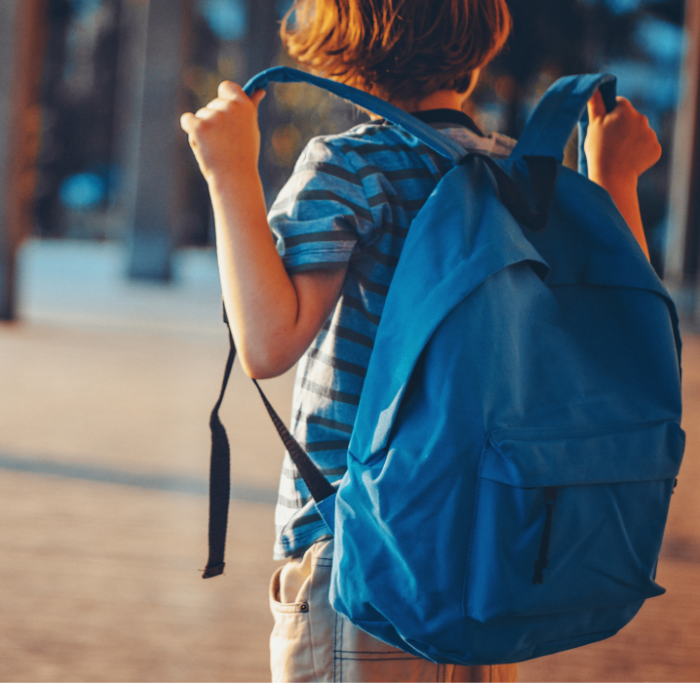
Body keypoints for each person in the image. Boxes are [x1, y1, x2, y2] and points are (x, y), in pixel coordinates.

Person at [180, 0, 663, 681]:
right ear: (478, 51)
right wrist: (614, 179)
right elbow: (615, 336)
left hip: (362, 558)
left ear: (341, 48)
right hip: (489, 557)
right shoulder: (521, 180)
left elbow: (269, 342)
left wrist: (228, 173)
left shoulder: (349, 167)